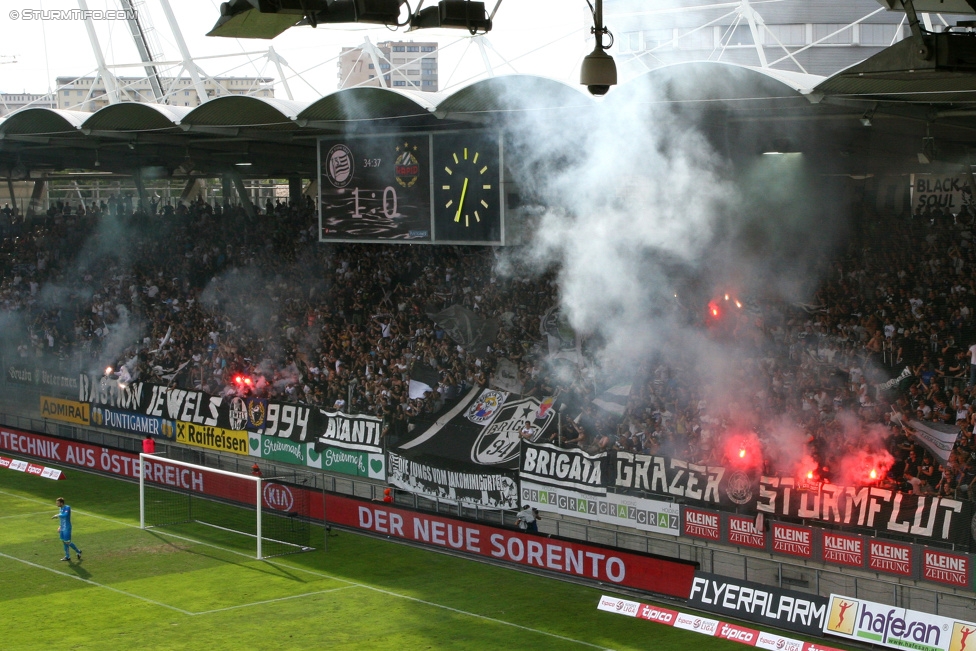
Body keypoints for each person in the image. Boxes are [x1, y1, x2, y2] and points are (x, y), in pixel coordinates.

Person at [51, 497, 81, 561]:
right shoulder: (60, 509)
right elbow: (62, 519)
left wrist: (57, 515)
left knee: (68, 542)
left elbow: (65, 515)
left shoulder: (67, 507)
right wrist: (60, 526)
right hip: (62, 528)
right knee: (64, 542)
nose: (57, 504)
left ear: (62, 503)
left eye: (58, 503)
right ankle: (67, 556)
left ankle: (78, 551)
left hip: (67, 528)